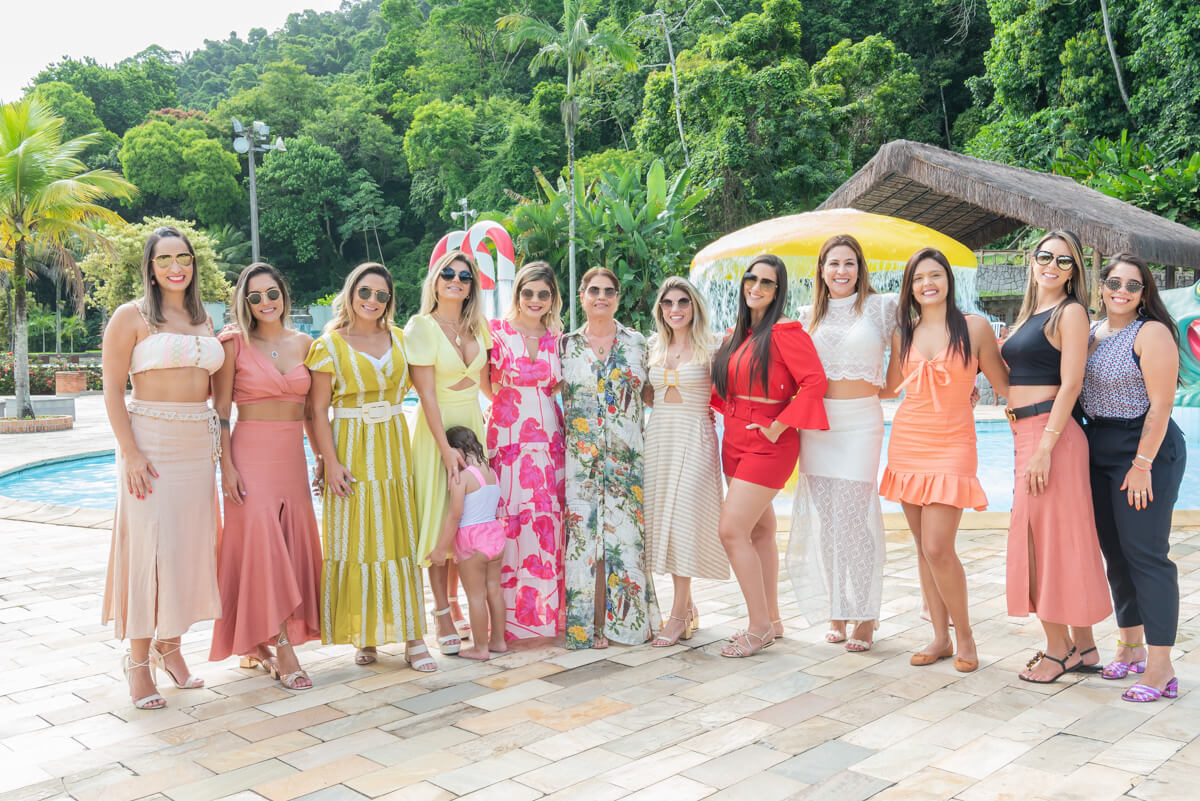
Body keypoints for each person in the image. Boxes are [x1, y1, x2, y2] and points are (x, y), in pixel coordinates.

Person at [101, 226, 224, 709]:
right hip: (150, 441)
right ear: (150, 268)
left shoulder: (203, 318)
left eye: (185, 258)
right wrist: (130, 452)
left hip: (197, 443)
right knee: (150, 549)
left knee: (187, 548)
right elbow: (112, 388)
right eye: (166, 259)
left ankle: (170, 647)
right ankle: (137, 662)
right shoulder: (129, 317)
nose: (177, 267)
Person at [880, 247, 1008, 674]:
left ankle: (965, 635)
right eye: (918, 278)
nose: (927, 284)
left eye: (934, 275)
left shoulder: (974, 328)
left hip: (952, 442)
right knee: (922, 548)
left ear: (948, 280)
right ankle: (938, 636)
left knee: (938, 546)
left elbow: (1002, 381)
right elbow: (889, 388)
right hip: (908, 439)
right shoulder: (906, 332)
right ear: (910, 287)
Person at [305, 263, 435, 672]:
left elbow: (430, 390)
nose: (372, 301)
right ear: (350, 293)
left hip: (394, 449)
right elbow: (316, 410)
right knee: (356, 542)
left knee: (399, 536)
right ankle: (364, 634)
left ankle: (415, 637)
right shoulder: (329, 344)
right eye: (365, 292)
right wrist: (329, 463)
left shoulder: (400, 340)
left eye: (381, 295)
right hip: (351, 448)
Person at [1000, 230, 1111, 683]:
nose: (1052, 265)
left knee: (1040, 543)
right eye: (1045, 256)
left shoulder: (1071, 312)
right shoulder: (1033, 312)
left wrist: (1044, 446)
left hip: (1052, 437)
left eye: (1064, 261)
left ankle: (1057, 650)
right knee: (1057, 540)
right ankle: (1083, 647)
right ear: (1032, 259)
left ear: (1075, 271)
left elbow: (1072, 384)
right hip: (1028, 432)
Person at [210, 263, 321, 690]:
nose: (265, 303)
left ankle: (258, 644)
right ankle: (283, 648)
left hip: (291, 456)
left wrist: (320, 458)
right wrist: (227, 468)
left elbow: (312, 411)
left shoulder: (307, 343)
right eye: (254, 297)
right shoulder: (233, 345)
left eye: (271, 293)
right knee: (262, 550)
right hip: (249, 453)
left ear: (283, 293)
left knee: (289, 548)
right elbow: (220, 412)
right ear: (244, 302)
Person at [711, 254, 828, 658]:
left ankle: (757, 626)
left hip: (768, 441)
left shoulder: (784, 332)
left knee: (731, 531)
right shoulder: (735, 336)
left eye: (766, 282)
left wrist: (780, 425)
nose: (755, 287)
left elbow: (815, 382)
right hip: (734, 440)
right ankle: (773, 619)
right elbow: (717, 391)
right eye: (751, 279)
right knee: (759, 531)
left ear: (778, 292)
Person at [1081, 254, 1184, 702]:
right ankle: (1130, 644)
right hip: (1099, 446)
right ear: (1101, 286)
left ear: (1145, 294)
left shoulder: (1152, 332)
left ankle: (1161, 667)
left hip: (1146, 450)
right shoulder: (1090, 332)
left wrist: (1141, 465)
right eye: (1114, 282)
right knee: (1116, 554)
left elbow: (1161, 407)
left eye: (1133, 286)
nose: (1121, 291)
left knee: (1146, 555)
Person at [789, 235, 897, 652]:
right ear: (821, 269)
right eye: (833, 263)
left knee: (854, 519)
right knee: (829, 521)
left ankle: (867, 614)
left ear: (860, 267)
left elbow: (909, 357)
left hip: (860, 424)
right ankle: (838, 609)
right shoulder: (805, 316)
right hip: (817, 426)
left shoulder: (881, 307)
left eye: (849, 263)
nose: (841, 271)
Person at [561, 267, 659, 649]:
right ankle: (590, 626)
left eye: (609, 291)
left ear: (617, 297)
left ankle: (628, 626)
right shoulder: (565, 346)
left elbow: (655, 393)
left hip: (627, 461)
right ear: (582, 296)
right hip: (580, 465)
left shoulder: (638, 344)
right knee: (585, 543)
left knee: (627, 543)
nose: (601, 296)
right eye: (594, 290)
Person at [406, 250, 492, 655]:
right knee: (439, 517)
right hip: (435, 433)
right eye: (448, 274)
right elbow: (425, 396)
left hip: (473, 428)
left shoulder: (479, 326)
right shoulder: (421, 327)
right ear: (435, 281)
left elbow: (490, 385)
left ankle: (459, 603)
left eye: (464, 276)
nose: (456, 280)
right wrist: (444, 450)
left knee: (469, 521)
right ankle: (440, 611)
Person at [643, 276, 728, 647]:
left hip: (696, 437)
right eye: (667, 303)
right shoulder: (652, 347)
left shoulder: (714, 346)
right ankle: (687, 606)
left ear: (694, 306)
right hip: (660, 437)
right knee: (665, 520)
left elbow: (732, 392)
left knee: (684, 520)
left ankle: (677, 615)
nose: (674, 309)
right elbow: (649, 395)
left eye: (682, 302)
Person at [485, 262, 566, 641]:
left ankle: (544, 615)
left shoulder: (557, 337)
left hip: (550, 440)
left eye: (543, 294)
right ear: (517, 294)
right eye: (528, 293)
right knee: (510, 521)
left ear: (553, 299)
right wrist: (509, 411)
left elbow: (559, 388)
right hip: (509, 439)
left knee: (546, 522)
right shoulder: (496, 332)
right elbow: (486, 384)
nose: (535, 300)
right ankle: (509, 621)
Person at [426, 426, 508, 660]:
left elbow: (454, 515)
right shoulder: (491, 471)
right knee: (494, 591)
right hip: (495, 535)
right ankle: (498, 641)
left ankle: (480, 648)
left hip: (472, 540)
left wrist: (440, 549)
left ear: (455, 451)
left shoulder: (461, 476)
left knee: (474, 596)